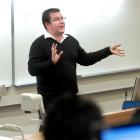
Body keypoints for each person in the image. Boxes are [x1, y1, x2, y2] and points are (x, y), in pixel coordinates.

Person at [28, 8, 125, 112]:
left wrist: (107, 51)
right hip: (50, 102)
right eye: (56, 19)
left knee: (74, 128)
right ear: (47, 24)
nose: (62, 22)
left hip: (71, 98)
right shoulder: (38, 44)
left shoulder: (70, 40)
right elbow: (32, 69)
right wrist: (51, 62)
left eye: (62, 18)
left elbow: (86, 59)